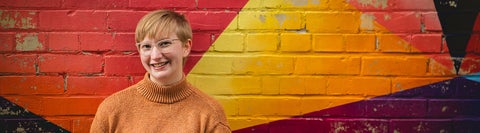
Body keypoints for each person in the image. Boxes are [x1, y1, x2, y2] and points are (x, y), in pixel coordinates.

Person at [90, 10, 231, 133]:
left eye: (164, 43)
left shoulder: (209, 113)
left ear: (186, 47)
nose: (155, 55)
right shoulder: (112, 110)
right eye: (146, 46)